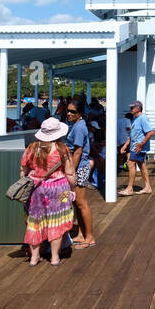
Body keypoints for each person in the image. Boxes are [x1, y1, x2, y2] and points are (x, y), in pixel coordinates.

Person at [20, 118, 76, 266]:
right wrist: (73, 189)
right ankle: (55, 257)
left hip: (36, 190)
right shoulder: (62, 149)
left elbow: (23, 171)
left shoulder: (31, 148)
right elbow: (70, 173)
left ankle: (34, 258)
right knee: (57, 221)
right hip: (60, 189)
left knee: (35, 222)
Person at [64, 101, 96, 248]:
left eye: (73, 111)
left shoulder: (79, 127)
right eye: (68, 111)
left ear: (80, 113)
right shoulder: (77, 125)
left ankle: (89, 237)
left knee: (82, 203)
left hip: (80, 167)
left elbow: (78, 151)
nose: (69, 113)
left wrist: (71, 171)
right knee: (77, 203)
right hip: (79, 166)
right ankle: (82, 234)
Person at [118, 101, 155, 196]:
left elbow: (150, 132)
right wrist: (125, 145)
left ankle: (130, 188)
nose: (130, 109)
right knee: (141, 165)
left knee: (130, 163)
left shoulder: (143, 118)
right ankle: (148, 187)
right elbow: (132, 135)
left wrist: (141, 144)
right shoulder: (135, 119)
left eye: (132, 108)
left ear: (137, 109)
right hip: (134, 145)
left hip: (138, 147)